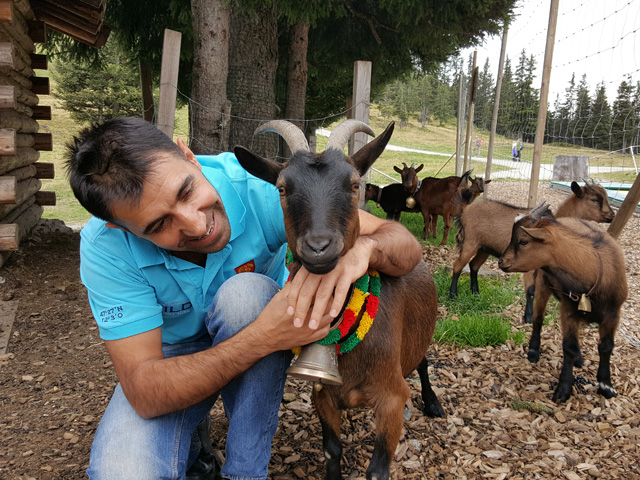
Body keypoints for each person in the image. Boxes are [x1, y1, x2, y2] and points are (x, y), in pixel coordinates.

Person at [66, 117, 423, 480]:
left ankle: (244, 473)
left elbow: (405, 246)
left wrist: (363, 251)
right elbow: (144, 390)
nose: (195, 225)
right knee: (121, 474)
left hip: (249, 321)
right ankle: (193, 435)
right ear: (119, 226)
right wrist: (266, 336)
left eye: (187, 192)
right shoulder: (106, 247)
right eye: (159, 225)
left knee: (247, 295)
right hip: (175, 358)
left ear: (188, 155)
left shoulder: (257, 188)